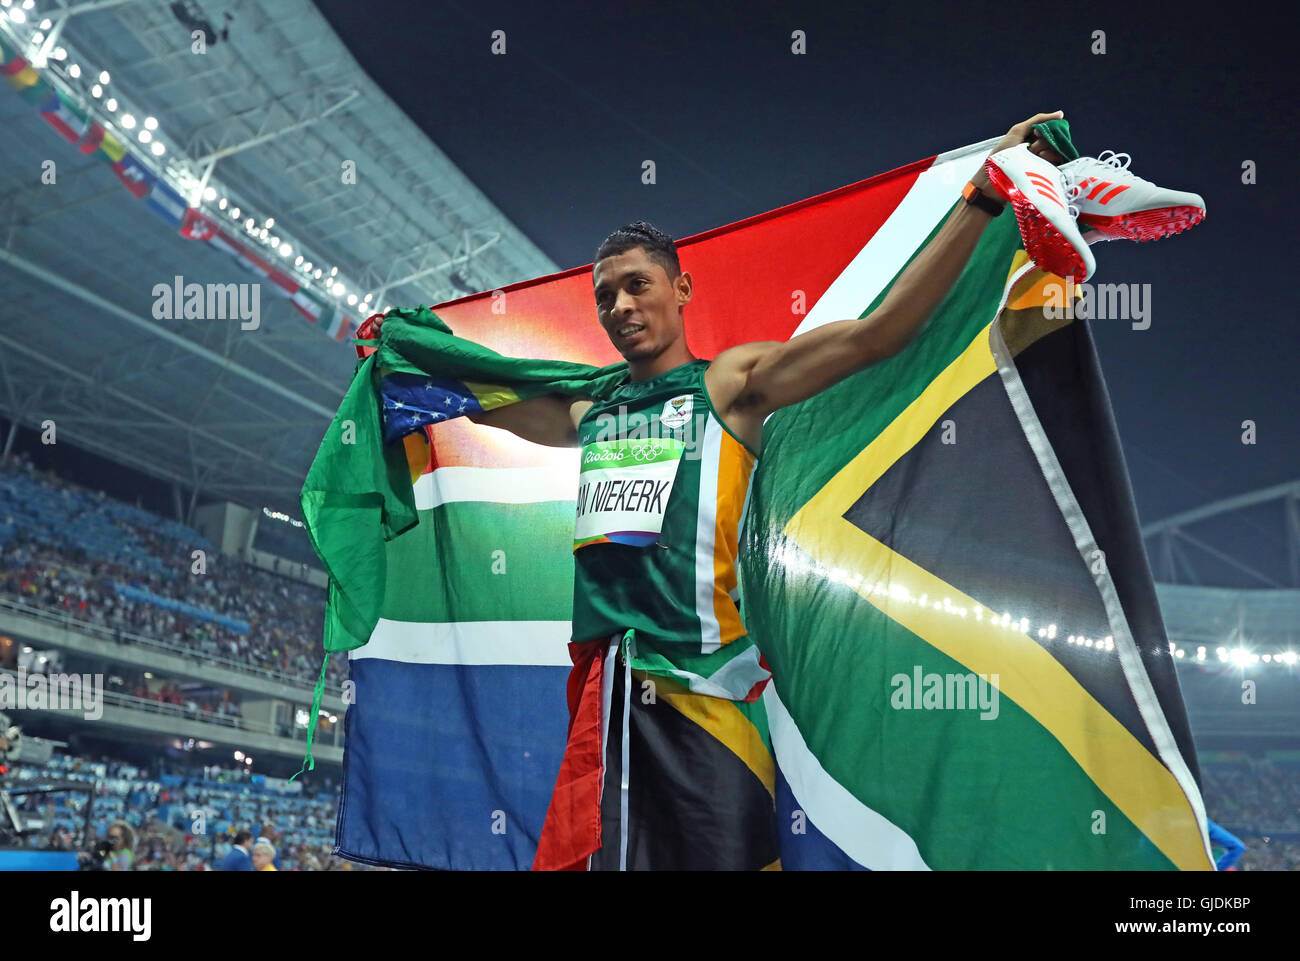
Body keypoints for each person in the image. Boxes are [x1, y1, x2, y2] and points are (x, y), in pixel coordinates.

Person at [366, 112, 1203, 870]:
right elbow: (486, 394)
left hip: (709, 694)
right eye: (605, 296)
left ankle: (1031, 182)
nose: (621, 306)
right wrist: (398, 361)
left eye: (637, 285)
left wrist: (978, 201)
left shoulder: (728, 385)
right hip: (612, 698)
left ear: (681, 288)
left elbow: (880, 336)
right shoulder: (587, 406)